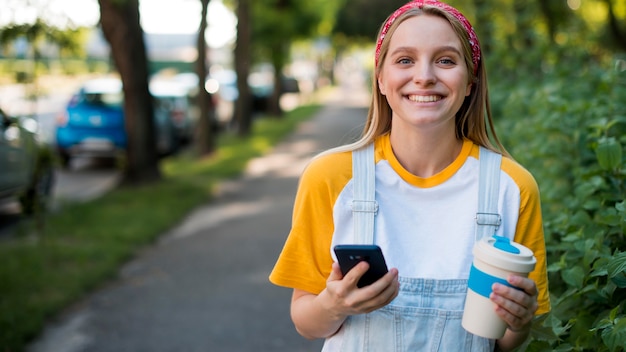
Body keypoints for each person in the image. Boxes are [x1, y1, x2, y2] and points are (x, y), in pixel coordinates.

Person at [269, 0, 550, 351]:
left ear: (470, 80)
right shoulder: (330, 177)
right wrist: (333, 305)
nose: (425, 75)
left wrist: (518, 322)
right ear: (381, 79)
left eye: (446, 60)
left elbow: (505, 341)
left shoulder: (512, 189)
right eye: (405, 60)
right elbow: (306, 322)